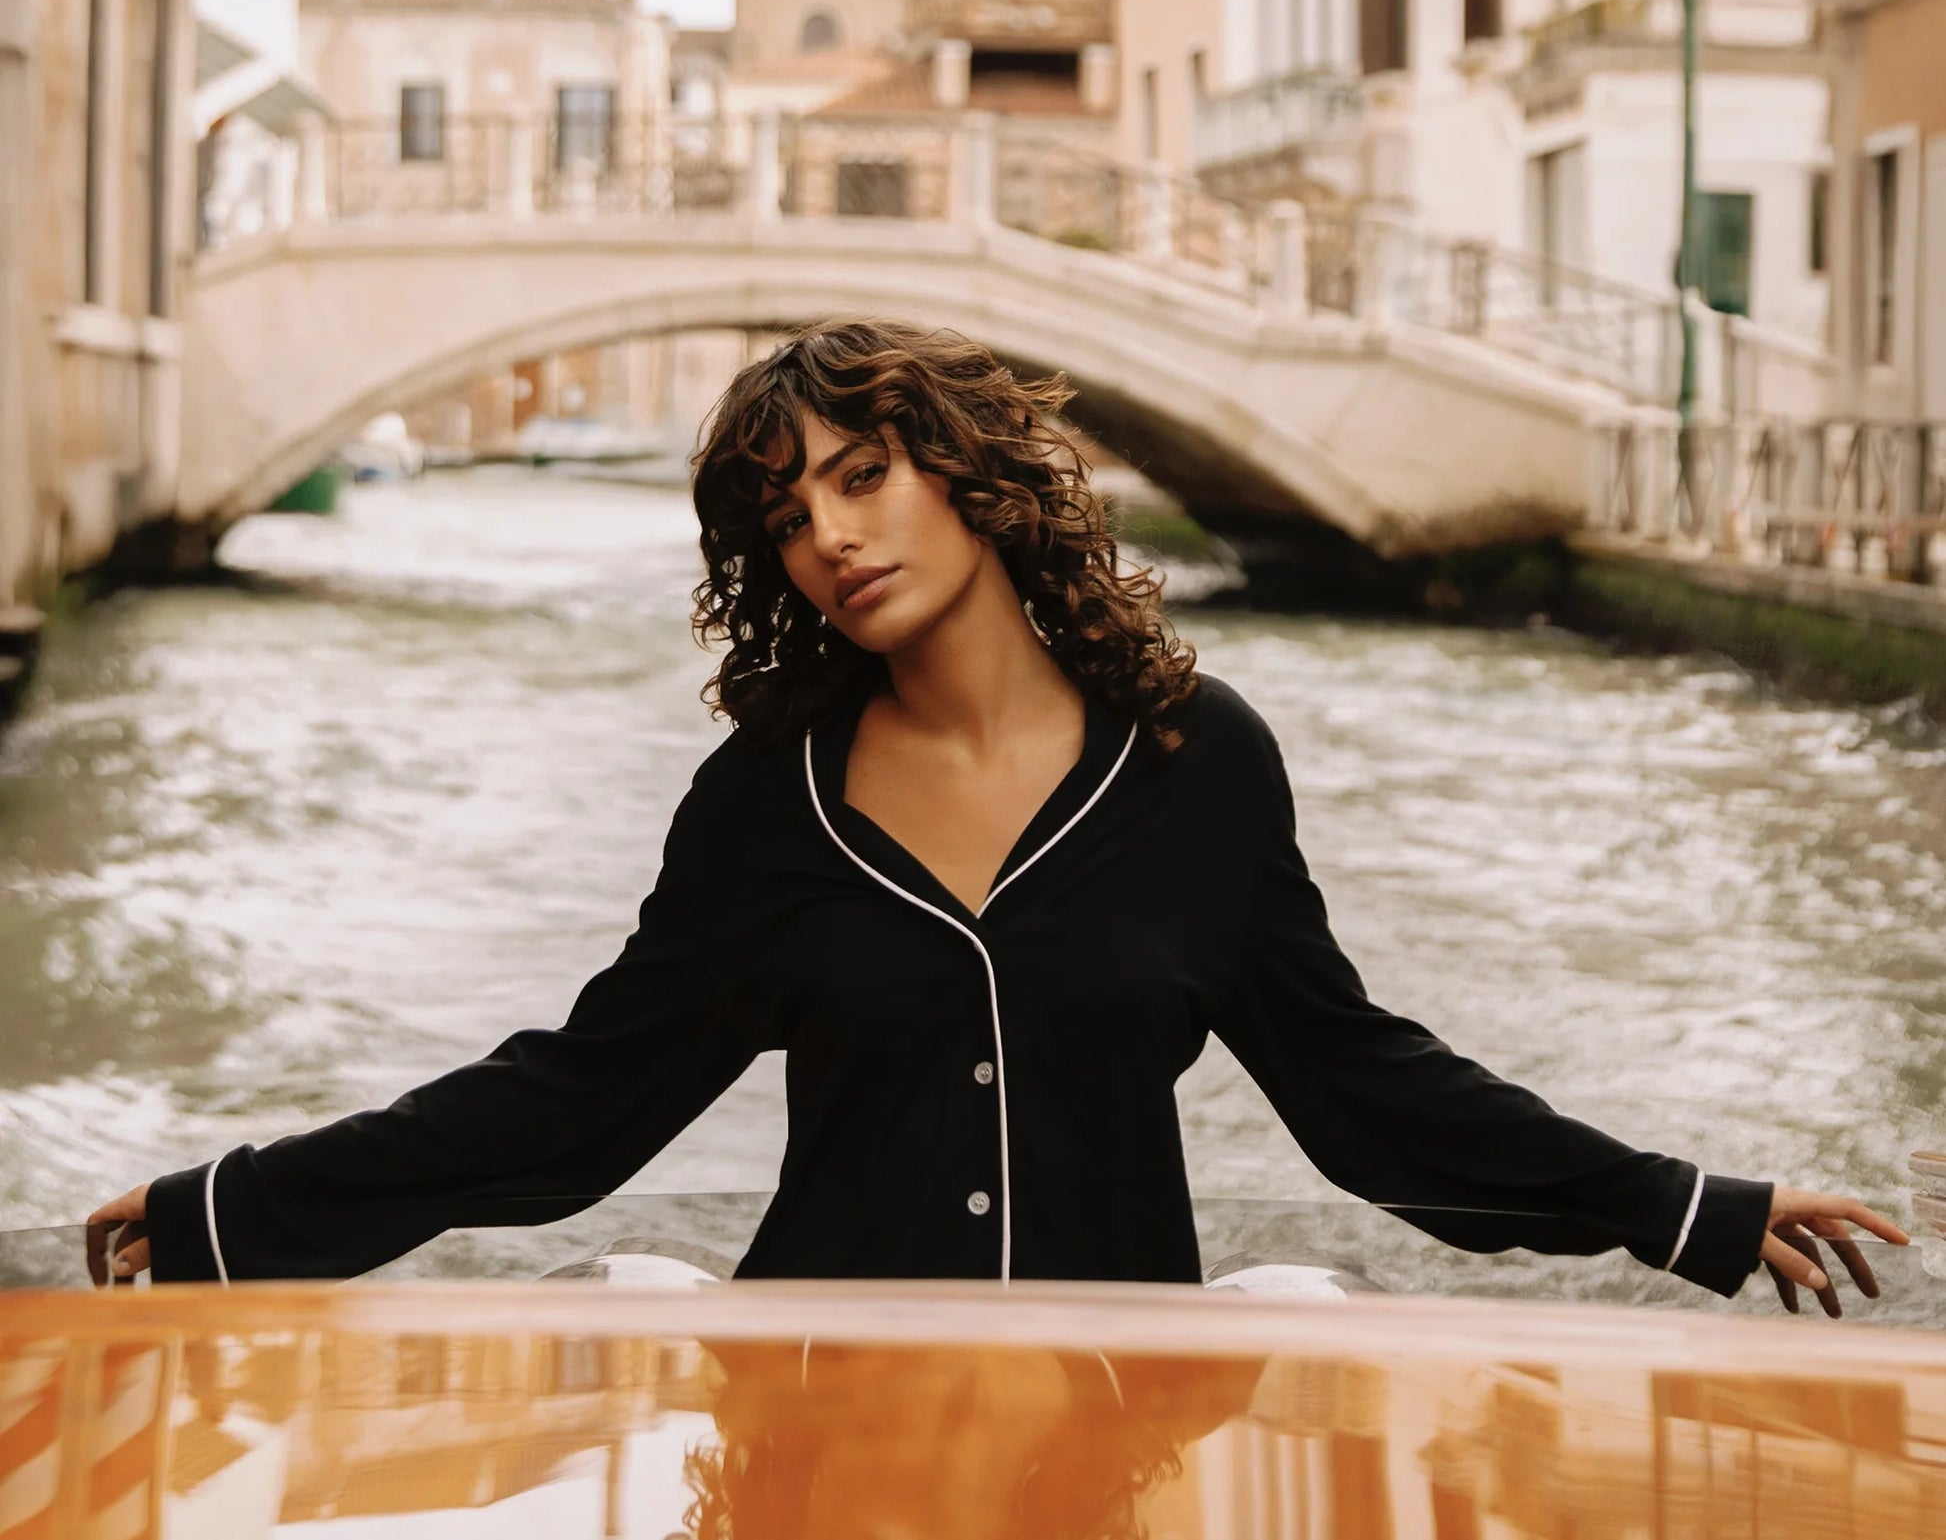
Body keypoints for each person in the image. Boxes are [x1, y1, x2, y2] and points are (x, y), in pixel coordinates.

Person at [89, 321, 1903, 1310]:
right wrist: (233, 1212)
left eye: (863, 478)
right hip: (820, 1397)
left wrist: (1687, 1205)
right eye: (790, 518)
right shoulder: (765, 805)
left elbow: (1362, 1088)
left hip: (1121, 1411)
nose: (834, 537)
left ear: (964, 474)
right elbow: (572, 1105)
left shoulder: (1199, 762)